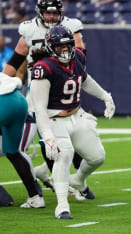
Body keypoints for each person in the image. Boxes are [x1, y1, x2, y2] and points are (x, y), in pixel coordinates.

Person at [2, 0, 95, 199]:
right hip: (38, 93)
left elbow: (80, 58)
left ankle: (77, 181)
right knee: (40, 142)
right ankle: (51, 185)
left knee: (77, 141)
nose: (52, 17)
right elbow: (14, 63)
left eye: (55, 13)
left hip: (63, 93)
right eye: (47, 13)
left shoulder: (71, 27)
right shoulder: (29, 30)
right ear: (40, 12)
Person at [30, 25, 115, 219]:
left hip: (77, 115)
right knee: (64, 154)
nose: (66, 50)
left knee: (97, 157)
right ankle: (62, 205)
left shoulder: (77, 57)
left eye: (68, 45)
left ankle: (78, 180)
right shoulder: (43, 68)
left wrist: (105, 96)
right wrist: (48, 137)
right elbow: (40, 109)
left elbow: (84, 79)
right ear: (51, 47)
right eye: (60, 47)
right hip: (53, 118)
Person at [0, 72, 45, 208]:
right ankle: (36, 197)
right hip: (19, 101)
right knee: (14, 152)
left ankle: (3, 197)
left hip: (3, 103)